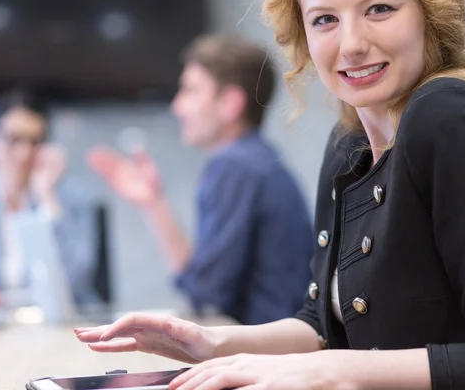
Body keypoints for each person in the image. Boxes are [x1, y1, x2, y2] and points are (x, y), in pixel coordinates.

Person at [75, 0, 465, 388]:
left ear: (429, 14)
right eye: (325, 20)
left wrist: (327, 371)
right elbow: (319, 325)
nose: (352, 45)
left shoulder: (440, 113)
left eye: (379, 9)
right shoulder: (348, 144)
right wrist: (211, 343)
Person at [88, 34, 313, 325]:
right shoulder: (257, 160)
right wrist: (153, 203)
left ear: (229, 103)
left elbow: (206, 295)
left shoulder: (235, 166)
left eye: (190, 91)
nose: (177, 107)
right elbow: (206, 283)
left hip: (271, 358)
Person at [0, 89, 101, 319]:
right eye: (14, 139)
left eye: (35, 142)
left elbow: (76, 284)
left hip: (63, 329)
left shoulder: (73, 200)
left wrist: (47, 200)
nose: (24, 153)